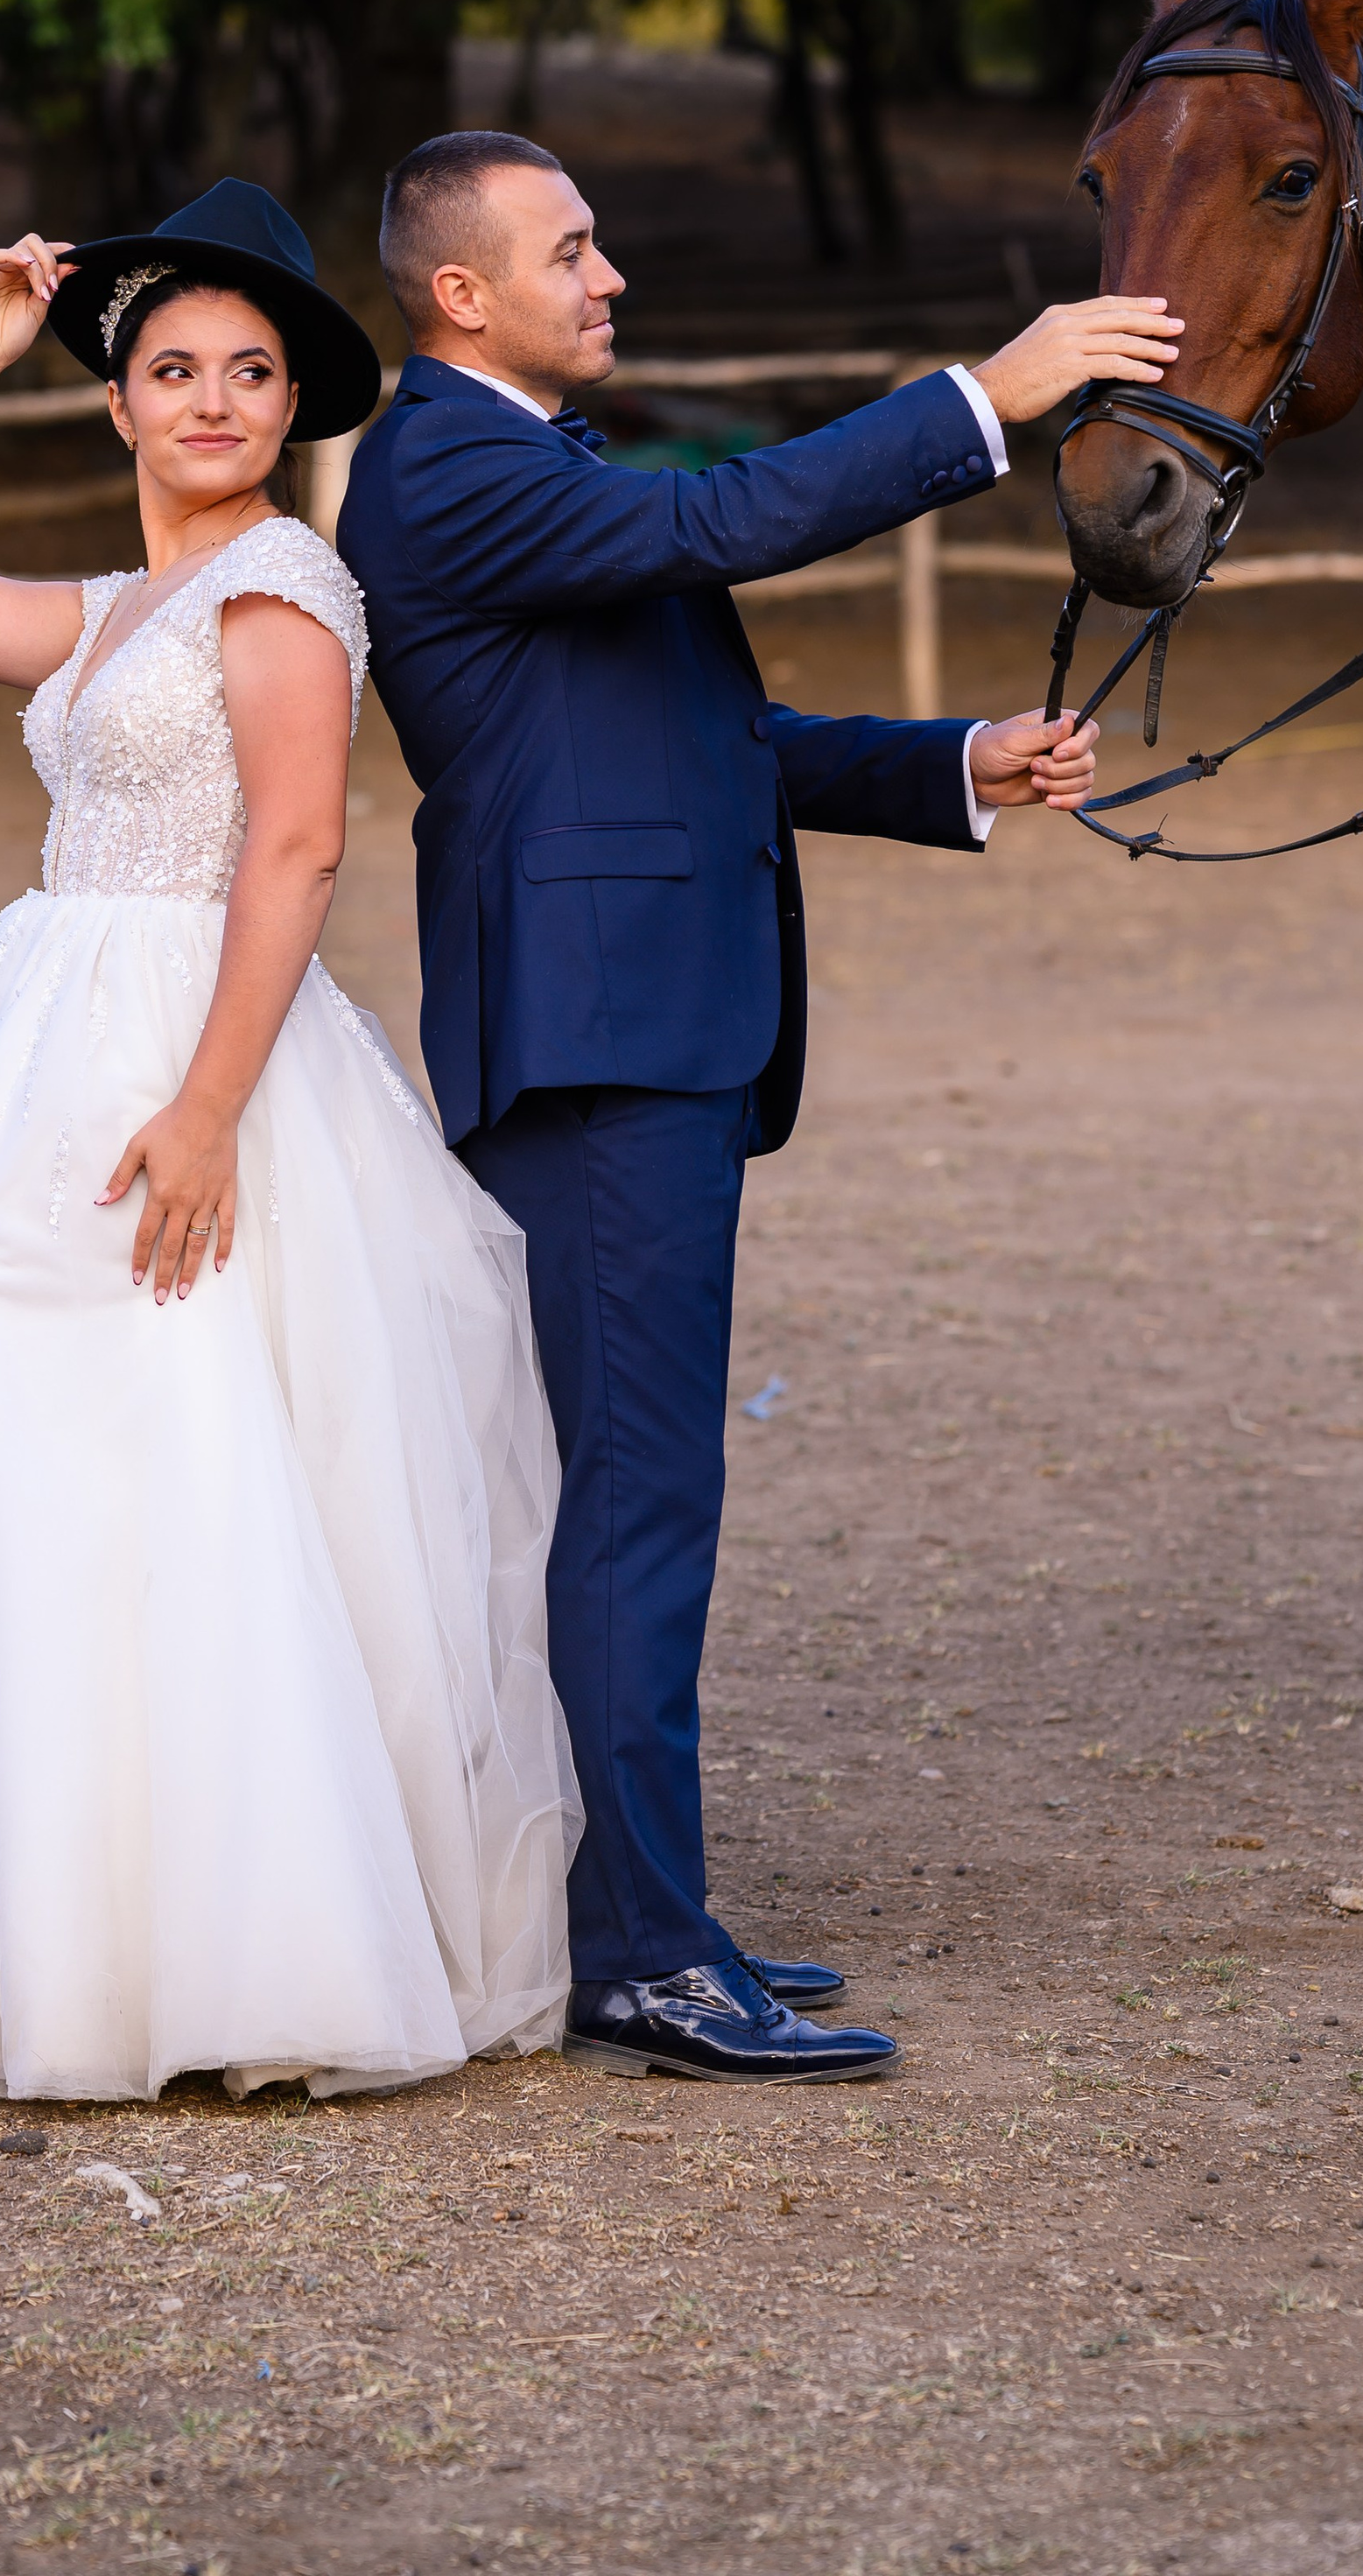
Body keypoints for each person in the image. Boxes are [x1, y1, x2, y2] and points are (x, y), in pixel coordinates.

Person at [339, 131, 1183, 2084]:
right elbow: (721, 522)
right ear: (458, 294)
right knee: (635, 1506)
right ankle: (635, 1953)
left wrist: (951, 760)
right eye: (570, 248)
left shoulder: (534, 469)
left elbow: (699, 741)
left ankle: (641, 1916)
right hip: (598, 1044)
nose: (609, 272)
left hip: (638, 1033)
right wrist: (991, 393)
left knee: (638, 1499)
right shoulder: (443, 459)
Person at [0, 177, 577, 2102]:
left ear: (287, 411)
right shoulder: (108, 612)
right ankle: (36, 1895)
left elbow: (299, 844)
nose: (214, 400)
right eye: (173, 369)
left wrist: (208, 1109)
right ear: (121, 405)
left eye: (251, 372)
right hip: (47, 1063)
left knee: (175, 1485)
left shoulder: (279, 588)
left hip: (190, 1068)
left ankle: (203, 1931)